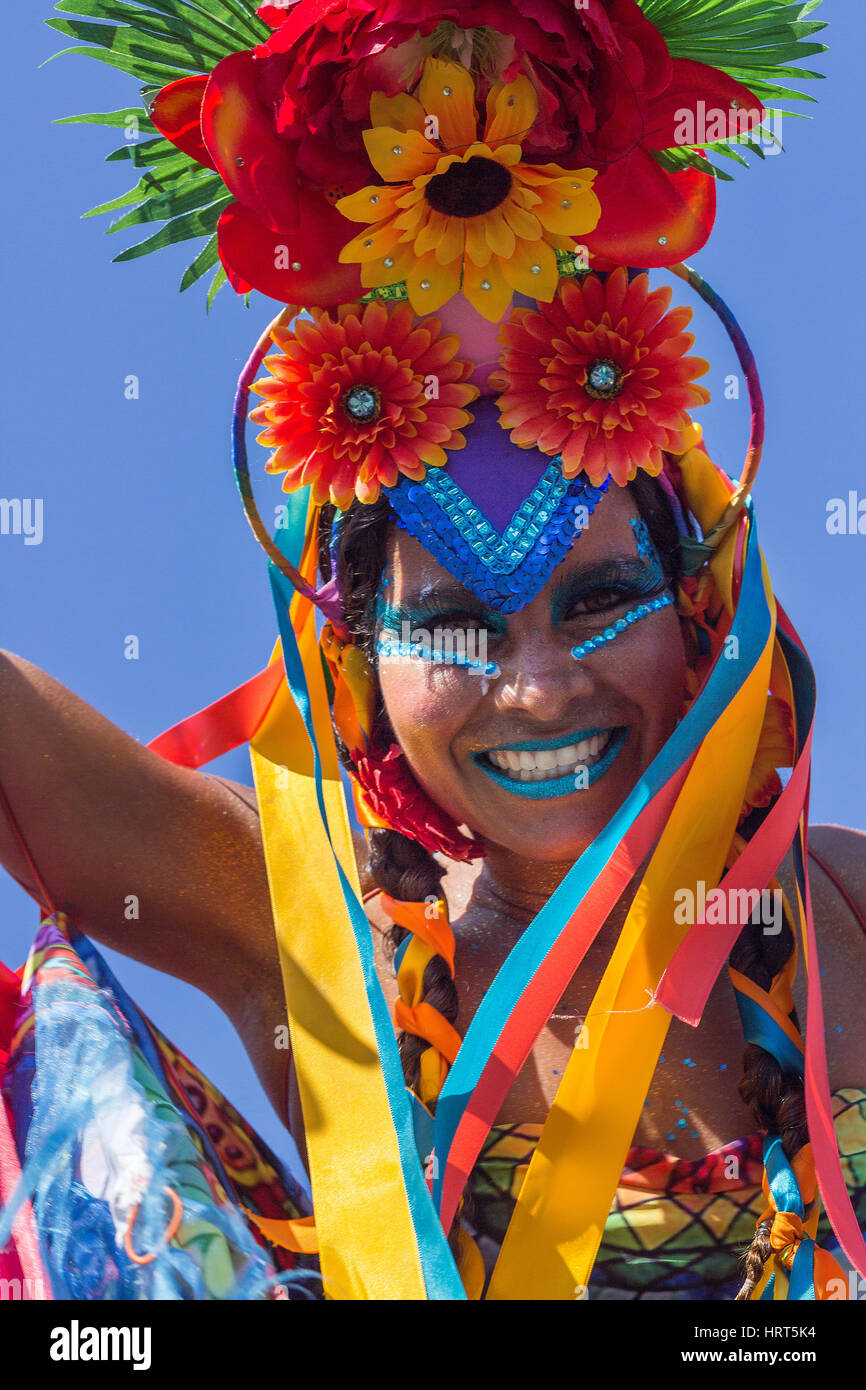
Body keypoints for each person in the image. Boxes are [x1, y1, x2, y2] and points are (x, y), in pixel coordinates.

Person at [1, 0, 862, 1303]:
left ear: (701, 615)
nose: (538, 684)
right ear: (356, 667)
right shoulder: (321, 948)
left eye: (599, 600)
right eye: (455, 625)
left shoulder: (841, 908)